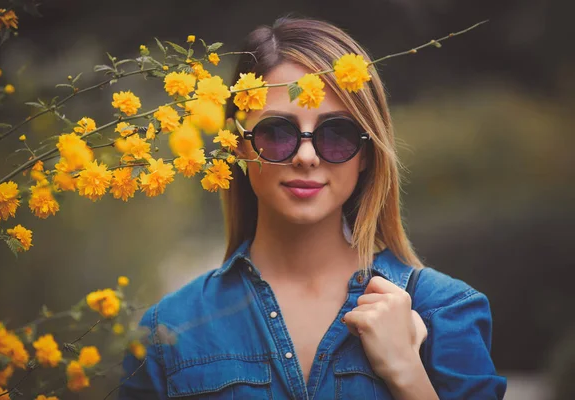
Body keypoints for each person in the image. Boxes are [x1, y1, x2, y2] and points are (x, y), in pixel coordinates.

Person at [118, 15, 507, 400]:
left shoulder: (445, 312)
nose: (305, 157)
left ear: (367, 153)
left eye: (336, 133)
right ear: (237, 145)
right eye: (276, 132)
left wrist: (407, 375)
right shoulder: (168, 331)